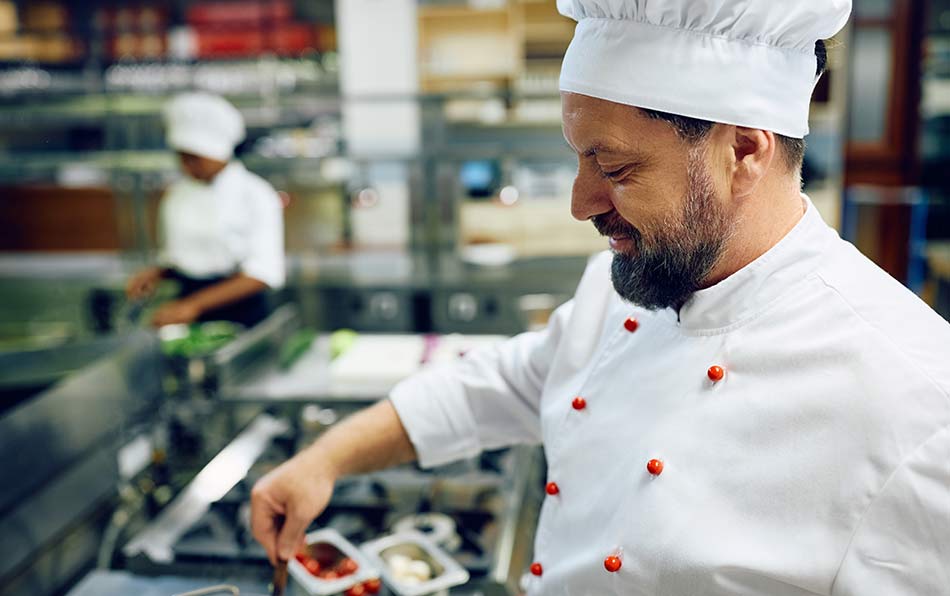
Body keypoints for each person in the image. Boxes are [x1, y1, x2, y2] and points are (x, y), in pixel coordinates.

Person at [251, 1, 950, 594]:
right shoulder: (625, 287)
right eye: (579, 158)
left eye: (614, 168)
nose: (583, 203)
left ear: (743, 151)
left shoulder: (912, 401)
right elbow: (503, 383)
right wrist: (326, 457)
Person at [126, 92, 285, 328]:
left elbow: (262, 273)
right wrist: (158, 272)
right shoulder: (178, 193)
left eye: (193, 158)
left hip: (242, 312)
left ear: (217, 152)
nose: (186, 167)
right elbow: (186, 255)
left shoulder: (256, 195)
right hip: (187, 307)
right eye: (181, 158)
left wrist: (194, 305)